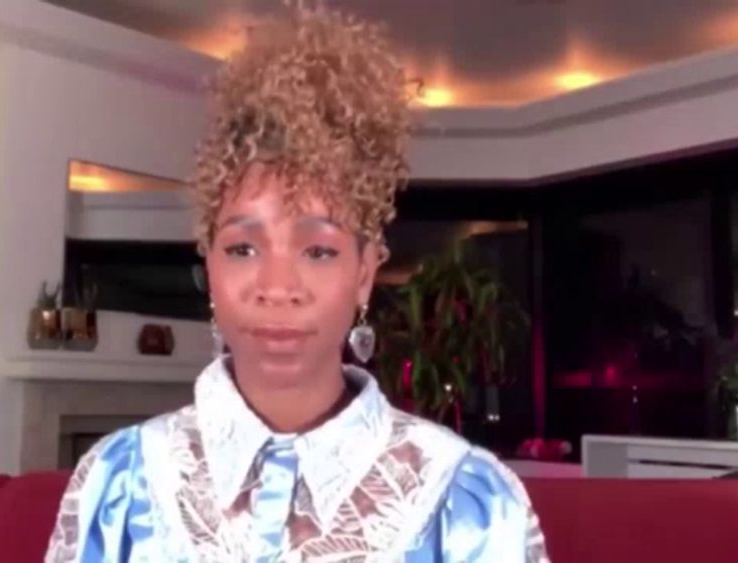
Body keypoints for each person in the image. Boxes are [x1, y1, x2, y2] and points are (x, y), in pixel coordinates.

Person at [45, 4, 548, 562]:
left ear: (364, 274)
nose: (278, 286)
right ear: (208, 264)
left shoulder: (466, 500)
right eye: (242, 248)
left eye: (317, 250)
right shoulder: (117, 485)